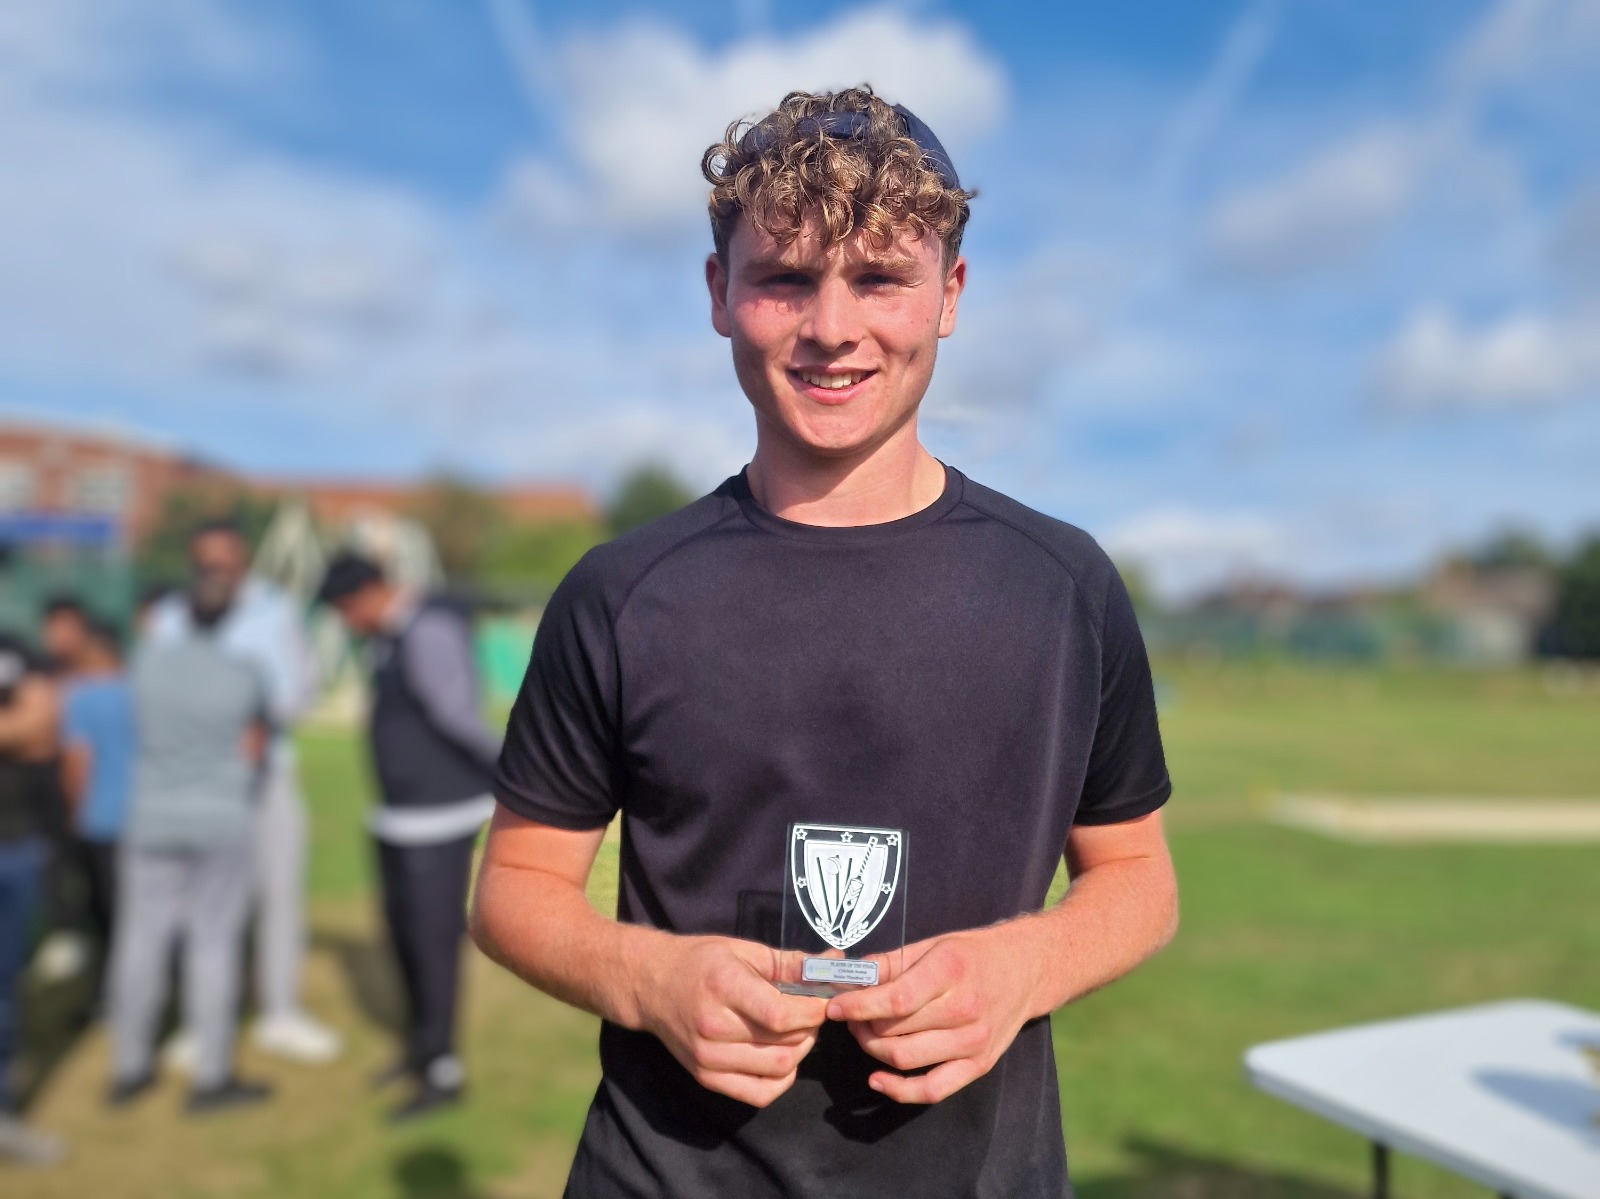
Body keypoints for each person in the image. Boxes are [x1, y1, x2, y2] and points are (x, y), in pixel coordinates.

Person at [470, 88, 1178, 1198]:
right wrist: (647, 975)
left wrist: (1022, 961)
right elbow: (514, 882)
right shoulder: (621, 591)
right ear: (719, 293)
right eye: (786, 278)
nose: (833, 326)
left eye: (882, 277)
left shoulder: (1063, 588)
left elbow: (1137, 876)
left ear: (949, 294)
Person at [148, 520, 340, 1064]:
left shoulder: (275, 610)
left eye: (226, 563)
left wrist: (255, 711)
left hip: (267, 775)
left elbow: (299, 686)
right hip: (194, 778)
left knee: (280, 897)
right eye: (207, 564)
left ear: (243, 561)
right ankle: (202, 1021)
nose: (218, 573)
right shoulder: (168, 617)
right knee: (201, 904)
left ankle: (280, 1014)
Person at [317, 550, 499, 1122]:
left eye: (347, 607)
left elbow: (461, 717)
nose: (346, 621)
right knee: (401, 942)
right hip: (397, 821)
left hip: (440, 822)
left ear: (373, 591)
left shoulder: (430, 629)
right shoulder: (385, 637)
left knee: (432, 948)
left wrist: (515, 776)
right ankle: (420, 1052)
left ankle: (443, 1071)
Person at [107, 569, 273, 1114]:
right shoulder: (243, 673)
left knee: (141, 941)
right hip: (220, 816)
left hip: (152, 813)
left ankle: (129, 1066)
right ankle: (212, 1075)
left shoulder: (145, 662)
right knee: (213, 943)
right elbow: (254, 750)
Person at [43, 600, 134, 1002]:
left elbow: (78, 763)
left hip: (99, 820)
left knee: (106, 917)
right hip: (143, 820)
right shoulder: (140, 690)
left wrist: (73, 811)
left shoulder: (81, 696)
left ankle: (112, 997)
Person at [0, 630, 65, 1164]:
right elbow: (28, 725)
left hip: (16, 847)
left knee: (5, 993)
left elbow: (45, 727)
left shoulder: (17, 648)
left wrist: (25, 723)